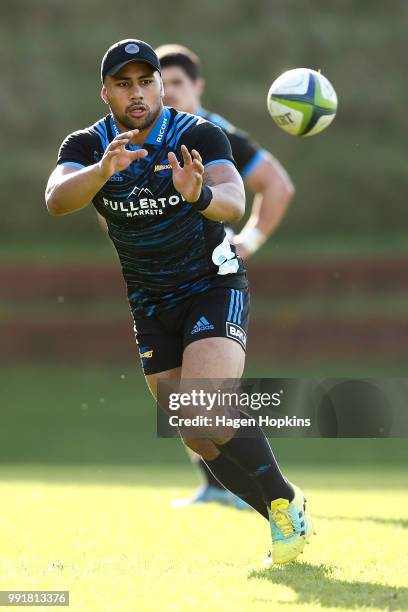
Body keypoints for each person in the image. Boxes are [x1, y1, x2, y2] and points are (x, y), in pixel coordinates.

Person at [45, 39, 312, 564]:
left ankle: (282, 502)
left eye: (146, 81)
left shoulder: (198, 133)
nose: (137, 93)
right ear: (106, 94)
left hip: (212, 285)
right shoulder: (86, 147)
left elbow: (235, 197)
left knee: (207, 407)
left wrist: (200, 195)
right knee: (193, 432)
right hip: (149, 302)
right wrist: (101, 172)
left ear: (162, 87)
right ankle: (284, 513)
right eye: (124, 84)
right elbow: (56, 199)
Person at [155, 43, 295, 508]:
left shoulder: (217, 136)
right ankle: (223, 485)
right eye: (162, 83)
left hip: (213, 278)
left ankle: (271, 494)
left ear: (197, 87)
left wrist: (249, 240)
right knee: (183, 401)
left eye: (177, 83)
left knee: (208, 392)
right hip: (160, 281)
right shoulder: (141, 138)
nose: (169, 92)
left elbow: (277, 184)